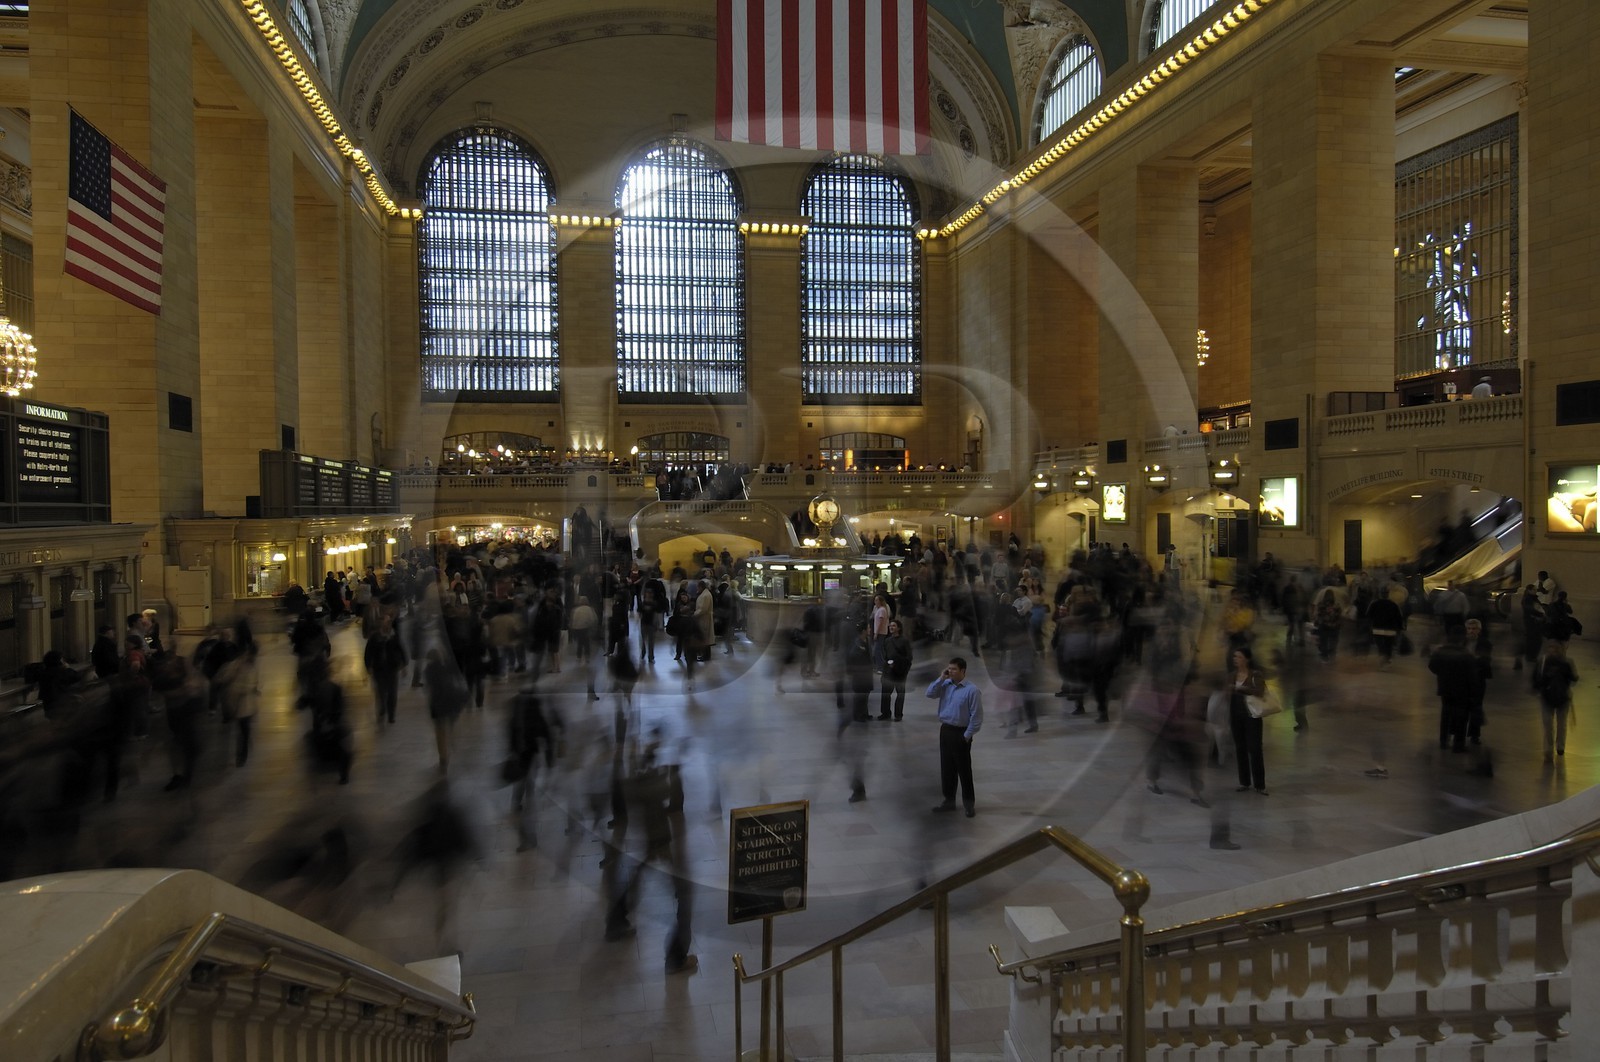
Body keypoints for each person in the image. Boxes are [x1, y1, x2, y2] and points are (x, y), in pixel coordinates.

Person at [926, 657, 983, 817]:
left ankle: (969, 804)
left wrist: (967, 736)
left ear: (963, 671)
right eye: (949, 668)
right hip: (945, 730)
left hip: (961, 732)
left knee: (964, 770)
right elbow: (929, 693)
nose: (950, 671)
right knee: (947, 768)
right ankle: (949, 800)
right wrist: (941, 678)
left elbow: (977, 717)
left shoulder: (972, 690)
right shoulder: (945, 684)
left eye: (954, 669)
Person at [1225, 647, 1269, 795]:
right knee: (1240, 748)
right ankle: (1244, 782)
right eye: (1234, 657)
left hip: (1252, 715)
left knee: (1255, 748)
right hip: (1236, 715)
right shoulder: (1231, 675)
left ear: (1247, 659)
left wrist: (1240, 688)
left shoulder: (1255, 674)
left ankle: (1259, 784)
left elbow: (1259, 691)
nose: (1235, 659)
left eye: (1238, 657)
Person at [1428, 631, 1476, 753]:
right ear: (1462, 640)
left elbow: (1432, 666)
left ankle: (1443, 741)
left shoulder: (1439, 652)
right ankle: (1458, 744)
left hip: (1445, 688)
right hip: (1462, 690)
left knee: (1445, 715)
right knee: (1461, 717)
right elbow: (1472, 675)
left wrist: (1442, 674)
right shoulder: (1467, 655)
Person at [1533, 640, 1578, 763]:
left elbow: (1573, 678)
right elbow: (1574, 679)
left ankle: (1557, 747)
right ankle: (1553, 747)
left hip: (1559, 698)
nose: (1552, 651)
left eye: (1555, 648)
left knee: (1559, 724)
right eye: (1550, 648)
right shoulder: (1543, 662)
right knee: (1550, 725)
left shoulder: (1566, 663)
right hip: (1550, 697)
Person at [879, 619, 914, 721]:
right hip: (888, 671)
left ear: (898, 628)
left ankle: (898, 714)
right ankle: (885, 713)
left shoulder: (904, 641)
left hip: (900, 672)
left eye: (893, 626)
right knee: (885, 693)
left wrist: (900, 666)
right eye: (890, 626)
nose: (891, 627)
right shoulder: (887, 641)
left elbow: (909, 657)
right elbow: (885, 656)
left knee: (900, 694)